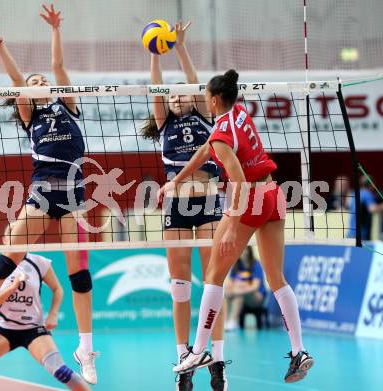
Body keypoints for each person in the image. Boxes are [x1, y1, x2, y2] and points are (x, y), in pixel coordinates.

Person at [0, 4, 98, 385]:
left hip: (75, 196)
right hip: (44, 193)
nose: (38, 81)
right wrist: (1, 47)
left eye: (41, 79)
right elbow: (17, 82)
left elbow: (59, 66)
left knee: (79, 273)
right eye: (32, 82)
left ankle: (85, 347)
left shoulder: (67, 105)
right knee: (7, 258)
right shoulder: (32, 116)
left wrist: (56, 31)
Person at [159, 69, 314, 383]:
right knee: (276, 277)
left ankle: (199, 350)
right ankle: (299, 351)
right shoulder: (239, 114)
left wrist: (231, 227)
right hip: (273, 193)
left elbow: (240, 182)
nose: (204, 101)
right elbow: (206, 150)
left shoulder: (220, 134)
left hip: (248, 197)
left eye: (205, 97)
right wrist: (176, 181)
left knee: (214, 274)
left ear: (213, 100)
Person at [141, 21, 226, 391]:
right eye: (171, 97)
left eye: (182, 95)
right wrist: (155, 55)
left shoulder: (206, 117)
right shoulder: (163, 125)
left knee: (213, 283)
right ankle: (183, 358)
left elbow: (194, 79)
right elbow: (155, 89)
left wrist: (181, 47)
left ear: (194, 98)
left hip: (207, 201)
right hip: (176, 205)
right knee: (180, 286)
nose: (176, 98)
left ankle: (217, 359)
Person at [0, 248, 90, 391]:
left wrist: (53, 313)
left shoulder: (39, 262)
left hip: (34, 330)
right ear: (5, 240)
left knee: (62, 372)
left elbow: (57, 289)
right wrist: (13, 286)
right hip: (3, 330)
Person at [224, 246, 266, 331]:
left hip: (256, 297)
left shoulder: (256, 264)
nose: (242, 252)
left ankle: (233, 321)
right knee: (226, 294)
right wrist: (233, 289)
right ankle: (225, 321)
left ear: (248, 250)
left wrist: (240, 287)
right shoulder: (236, 265)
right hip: (240, 293)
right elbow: (230, 284)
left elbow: (255, 287)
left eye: (244, 249)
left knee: (239, 295)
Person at [347, 174, 383, 240]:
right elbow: (372, 209)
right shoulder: (367, 194)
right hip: (361, 234)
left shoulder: (354, 193)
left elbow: (348, 205)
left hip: (351, 232)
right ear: (372, 185)